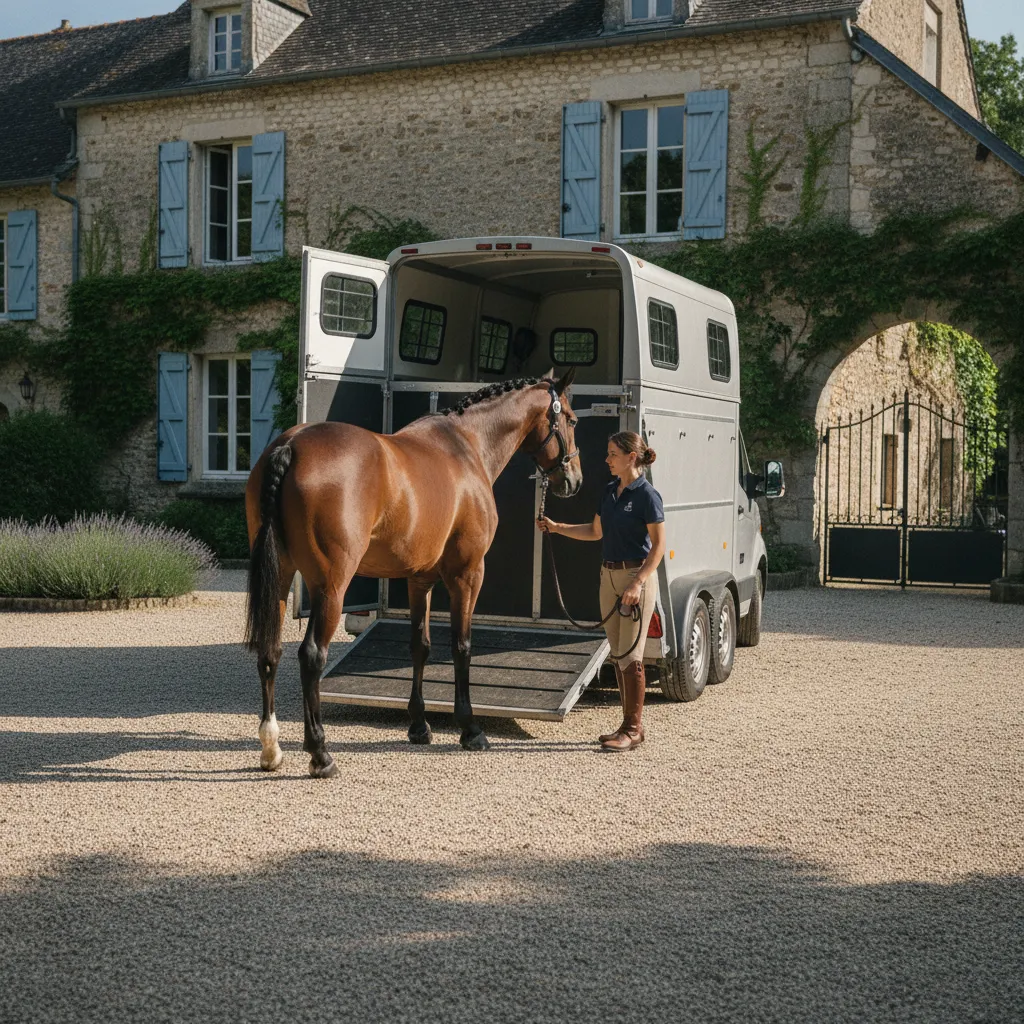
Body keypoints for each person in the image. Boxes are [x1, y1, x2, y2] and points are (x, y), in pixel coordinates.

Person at [537, 431, 666, 751]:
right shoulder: (610, 492)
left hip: (635, 577)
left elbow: (660, 547)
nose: (607, 460)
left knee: (632, 655)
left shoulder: (647, 495)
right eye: (608, 453)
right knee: (618, 654)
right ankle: (627, 726)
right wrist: (557, 528)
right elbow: (596, 531)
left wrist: (637, 583)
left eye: (612, 454)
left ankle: (633, 729)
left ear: (631, 457)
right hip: (607, 576)